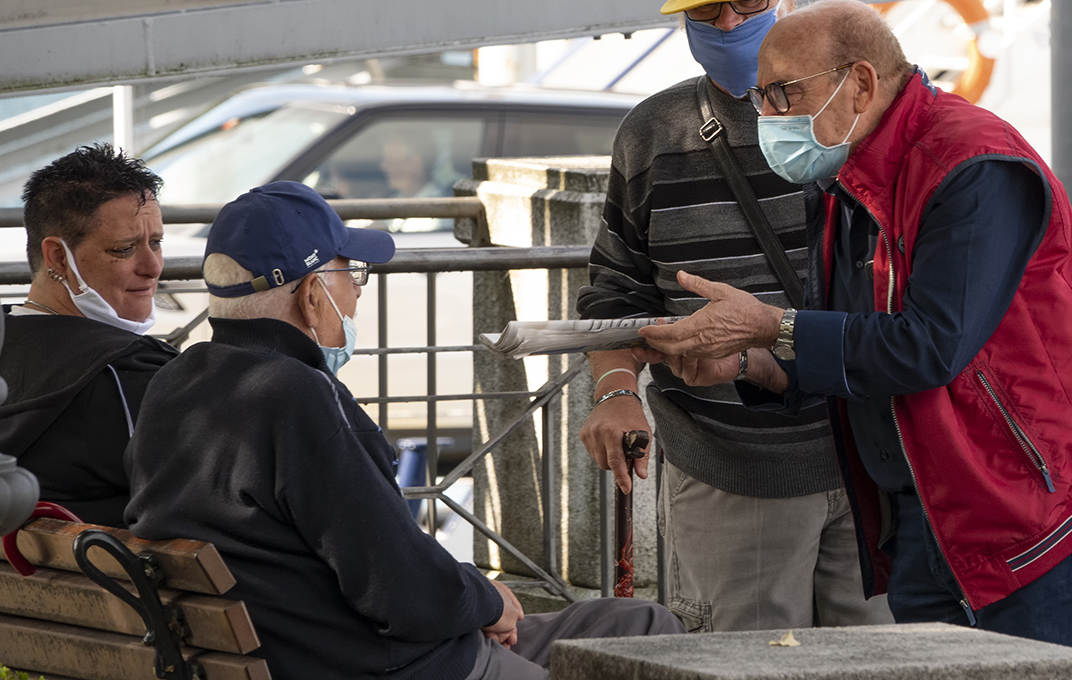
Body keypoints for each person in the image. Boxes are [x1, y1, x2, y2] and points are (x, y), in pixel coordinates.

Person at [637, 0, 1072, 653]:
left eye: (782, 95)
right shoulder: (849, 178)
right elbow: (857, 345)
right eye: (762, 100)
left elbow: (931, 346)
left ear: (860, 82)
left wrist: (770, 327)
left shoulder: (971, 164)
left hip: (1028, 518)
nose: (770, 120)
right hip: (924, 513)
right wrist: (747, 361)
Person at [125, 181, 681, 680]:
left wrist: (478, 597)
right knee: (650, 647)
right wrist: (487, 603)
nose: (359, 291)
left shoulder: (174, 382)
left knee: (639, 621)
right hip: (395, 664)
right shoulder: (297, 397)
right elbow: (402, 594)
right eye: (350, 272)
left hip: (295, 653)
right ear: (312, 294)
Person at [577, 0, 890, 631]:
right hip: (728, 474)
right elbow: (614, 287)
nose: (727, 24)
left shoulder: (858, 113)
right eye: (705, 8)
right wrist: (616, 389)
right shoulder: (654, 134)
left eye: (749, 2)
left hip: (872, 457)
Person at [0, 144, 175, 527]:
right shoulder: (128, 376)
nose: (152, 267)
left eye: (156, 242)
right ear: (58, 258)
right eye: (124, 249)